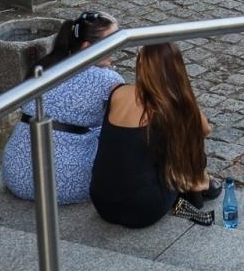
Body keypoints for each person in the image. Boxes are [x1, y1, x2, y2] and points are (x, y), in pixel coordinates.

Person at [90, 43, 219, 229]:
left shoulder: (118, 93)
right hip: (144, 209)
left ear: (140, 65)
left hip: (102, 202)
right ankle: (199, 184)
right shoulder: (173, 105)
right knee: (187, 138)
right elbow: (205, 130)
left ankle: (198, 183)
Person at [0, 10, 122, 205]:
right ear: (87, 47)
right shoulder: (108, 80)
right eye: (112, 43)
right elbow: (120, 127)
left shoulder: (44, 67)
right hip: (64, 184)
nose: (117, 48)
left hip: (16, 174)